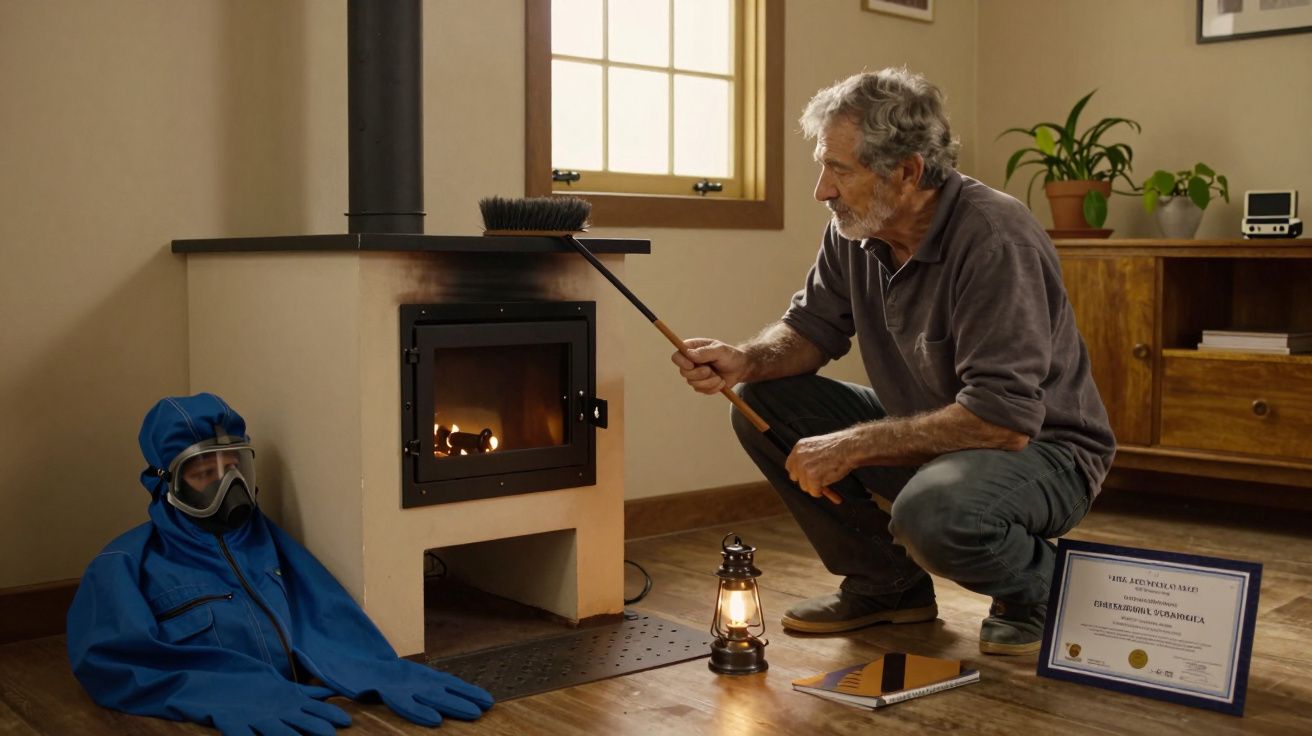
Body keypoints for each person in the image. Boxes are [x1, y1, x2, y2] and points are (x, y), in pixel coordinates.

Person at [671, 68, 1115, 656]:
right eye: (822, 166)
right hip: (942, 435)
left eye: (840, 170)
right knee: (762, 403)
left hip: (1045, 452)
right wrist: (744, 360)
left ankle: (1041, 588)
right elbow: (811, 330)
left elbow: (1001, 421)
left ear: (907, 171)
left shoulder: (994, 238)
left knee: (933, 512)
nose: (822, 190)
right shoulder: (856, 229)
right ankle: (888, 584)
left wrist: (851, 445)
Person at [67, 393, 494, 733]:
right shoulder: (125, 564)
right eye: (204, 474)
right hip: (232, 716)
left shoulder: (265, 539)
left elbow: (323, 610)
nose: (228, 487)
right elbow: (109, 661)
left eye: (234, 468)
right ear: (166, 484)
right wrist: (225, 692)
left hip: (303, 704)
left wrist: (379, 670)